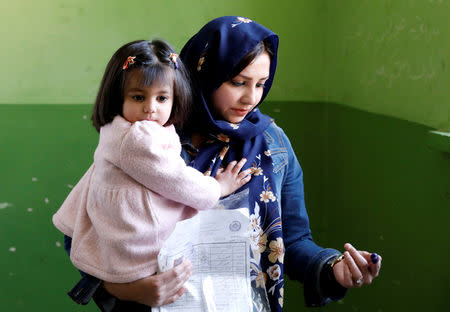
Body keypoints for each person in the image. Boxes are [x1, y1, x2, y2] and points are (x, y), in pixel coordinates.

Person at [63, 17, 382, 311]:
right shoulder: (149, 141)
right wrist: (128, 289)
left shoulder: (273, 144)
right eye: (238, 82)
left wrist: (334, 268)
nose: (251, 98)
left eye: (261, 84)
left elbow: (293, 241)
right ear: (205, 73)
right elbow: (82, 230)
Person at [52, 39, 252, 285]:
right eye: (138, 97)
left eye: (161, 98)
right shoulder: (138, 138)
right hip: (132, 241)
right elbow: (176, 179)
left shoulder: (122, 128)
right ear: (118, 97)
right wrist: (218, 187)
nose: (150, 108)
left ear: (175, 98)